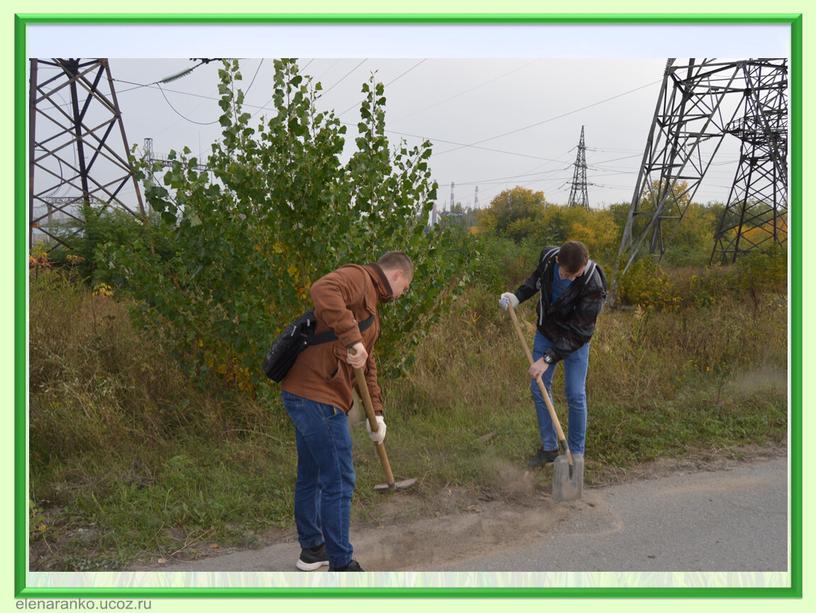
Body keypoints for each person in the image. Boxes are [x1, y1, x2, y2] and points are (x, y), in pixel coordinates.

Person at [280, 251, 413, 572]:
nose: (403, 295)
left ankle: (313, 550)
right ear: (396, 276)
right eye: (405, 288)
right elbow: (322, 289)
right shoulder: (360, 278)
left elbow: (366, 363)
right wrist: (354, 340)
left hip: (306, 392)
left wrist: (376, 414)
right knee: (339, 479)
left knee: (311, 475)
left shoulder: (372, 309)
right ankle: (342, 565)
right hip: (317, 395)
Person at [499, 240, 606, 467]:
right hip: (547, 331)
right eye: (568, 275)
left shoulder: (592, 283)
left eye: (576, 274)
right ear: (558, 262)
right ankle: (549, 449)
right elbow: (536, 281)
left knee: (575, 394)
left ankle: (575, 456)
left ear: (584, 265)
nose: (572, 278)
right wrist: (516, 297)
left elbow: (581, 332)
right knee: (539, 386)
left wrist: (547, 359)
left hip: (575, 340)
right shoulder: (548, 259)